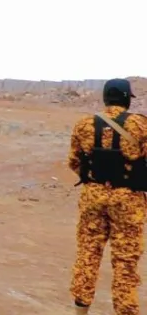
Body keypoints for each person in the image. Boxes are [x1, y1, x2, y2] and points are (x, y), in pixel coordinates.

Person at [67, 78, 147, 315]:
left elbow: (74, 162)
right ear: (126, 98)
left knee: (87, 255)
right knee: (125, 261)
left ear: (105, 98)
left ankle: (80, 311)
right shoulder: (140, 125)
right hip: (128, 201)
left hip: (93, 197)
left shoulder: (84, 124)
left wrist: (97, 181)